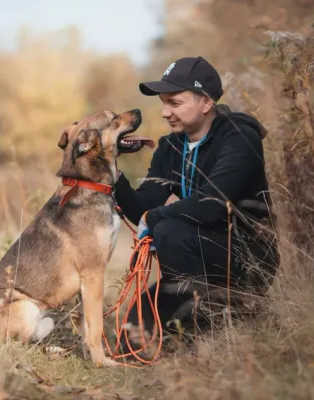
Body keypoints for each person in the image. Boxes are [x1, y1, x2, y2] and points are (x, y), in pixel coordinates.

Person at [113, 56, 279, 342]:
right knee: (132, 334)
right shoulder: (170, 147)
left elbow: (211, 205)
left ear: (205, 103)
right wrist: (111, 173)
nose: (165, 113)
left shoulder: (239, 137)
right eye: (163, 102)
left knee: (168, 229)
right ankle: (195, 323)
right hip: (194, 261)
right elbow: (145, 205)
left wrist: (153, 218)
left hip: (247, 258)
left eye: (175, 103)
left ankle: (206, 331)